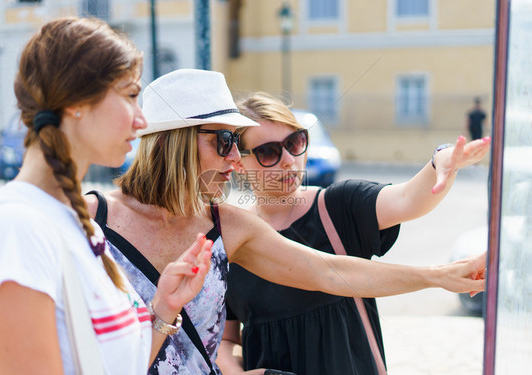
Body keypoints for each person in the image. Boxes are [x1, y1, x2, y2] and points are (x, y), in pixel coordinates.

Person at [85, 69, 487, 375]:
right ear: (177, 141)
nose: (233, 158)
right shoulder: (90, 220)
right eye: (225, 141)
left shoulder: (230, 226)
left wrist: (437, 275)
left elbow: (329, 272)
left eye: (295, 142)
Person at [0, 18, 213, 374]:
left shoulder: (76, 223)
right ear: (76, 101)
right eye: (131, 95)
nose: (142, 120)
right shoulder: (15, 228)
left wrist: (164, 306)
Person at [216, 92, 492, 375]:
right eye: (269, 152)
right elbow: (225, 338)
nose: (289, 160)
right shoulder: (230, 238)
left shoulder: (336, 206)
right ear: (238, 162)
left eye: (294, 142)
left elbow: (407, 200)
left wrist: (442, 161)